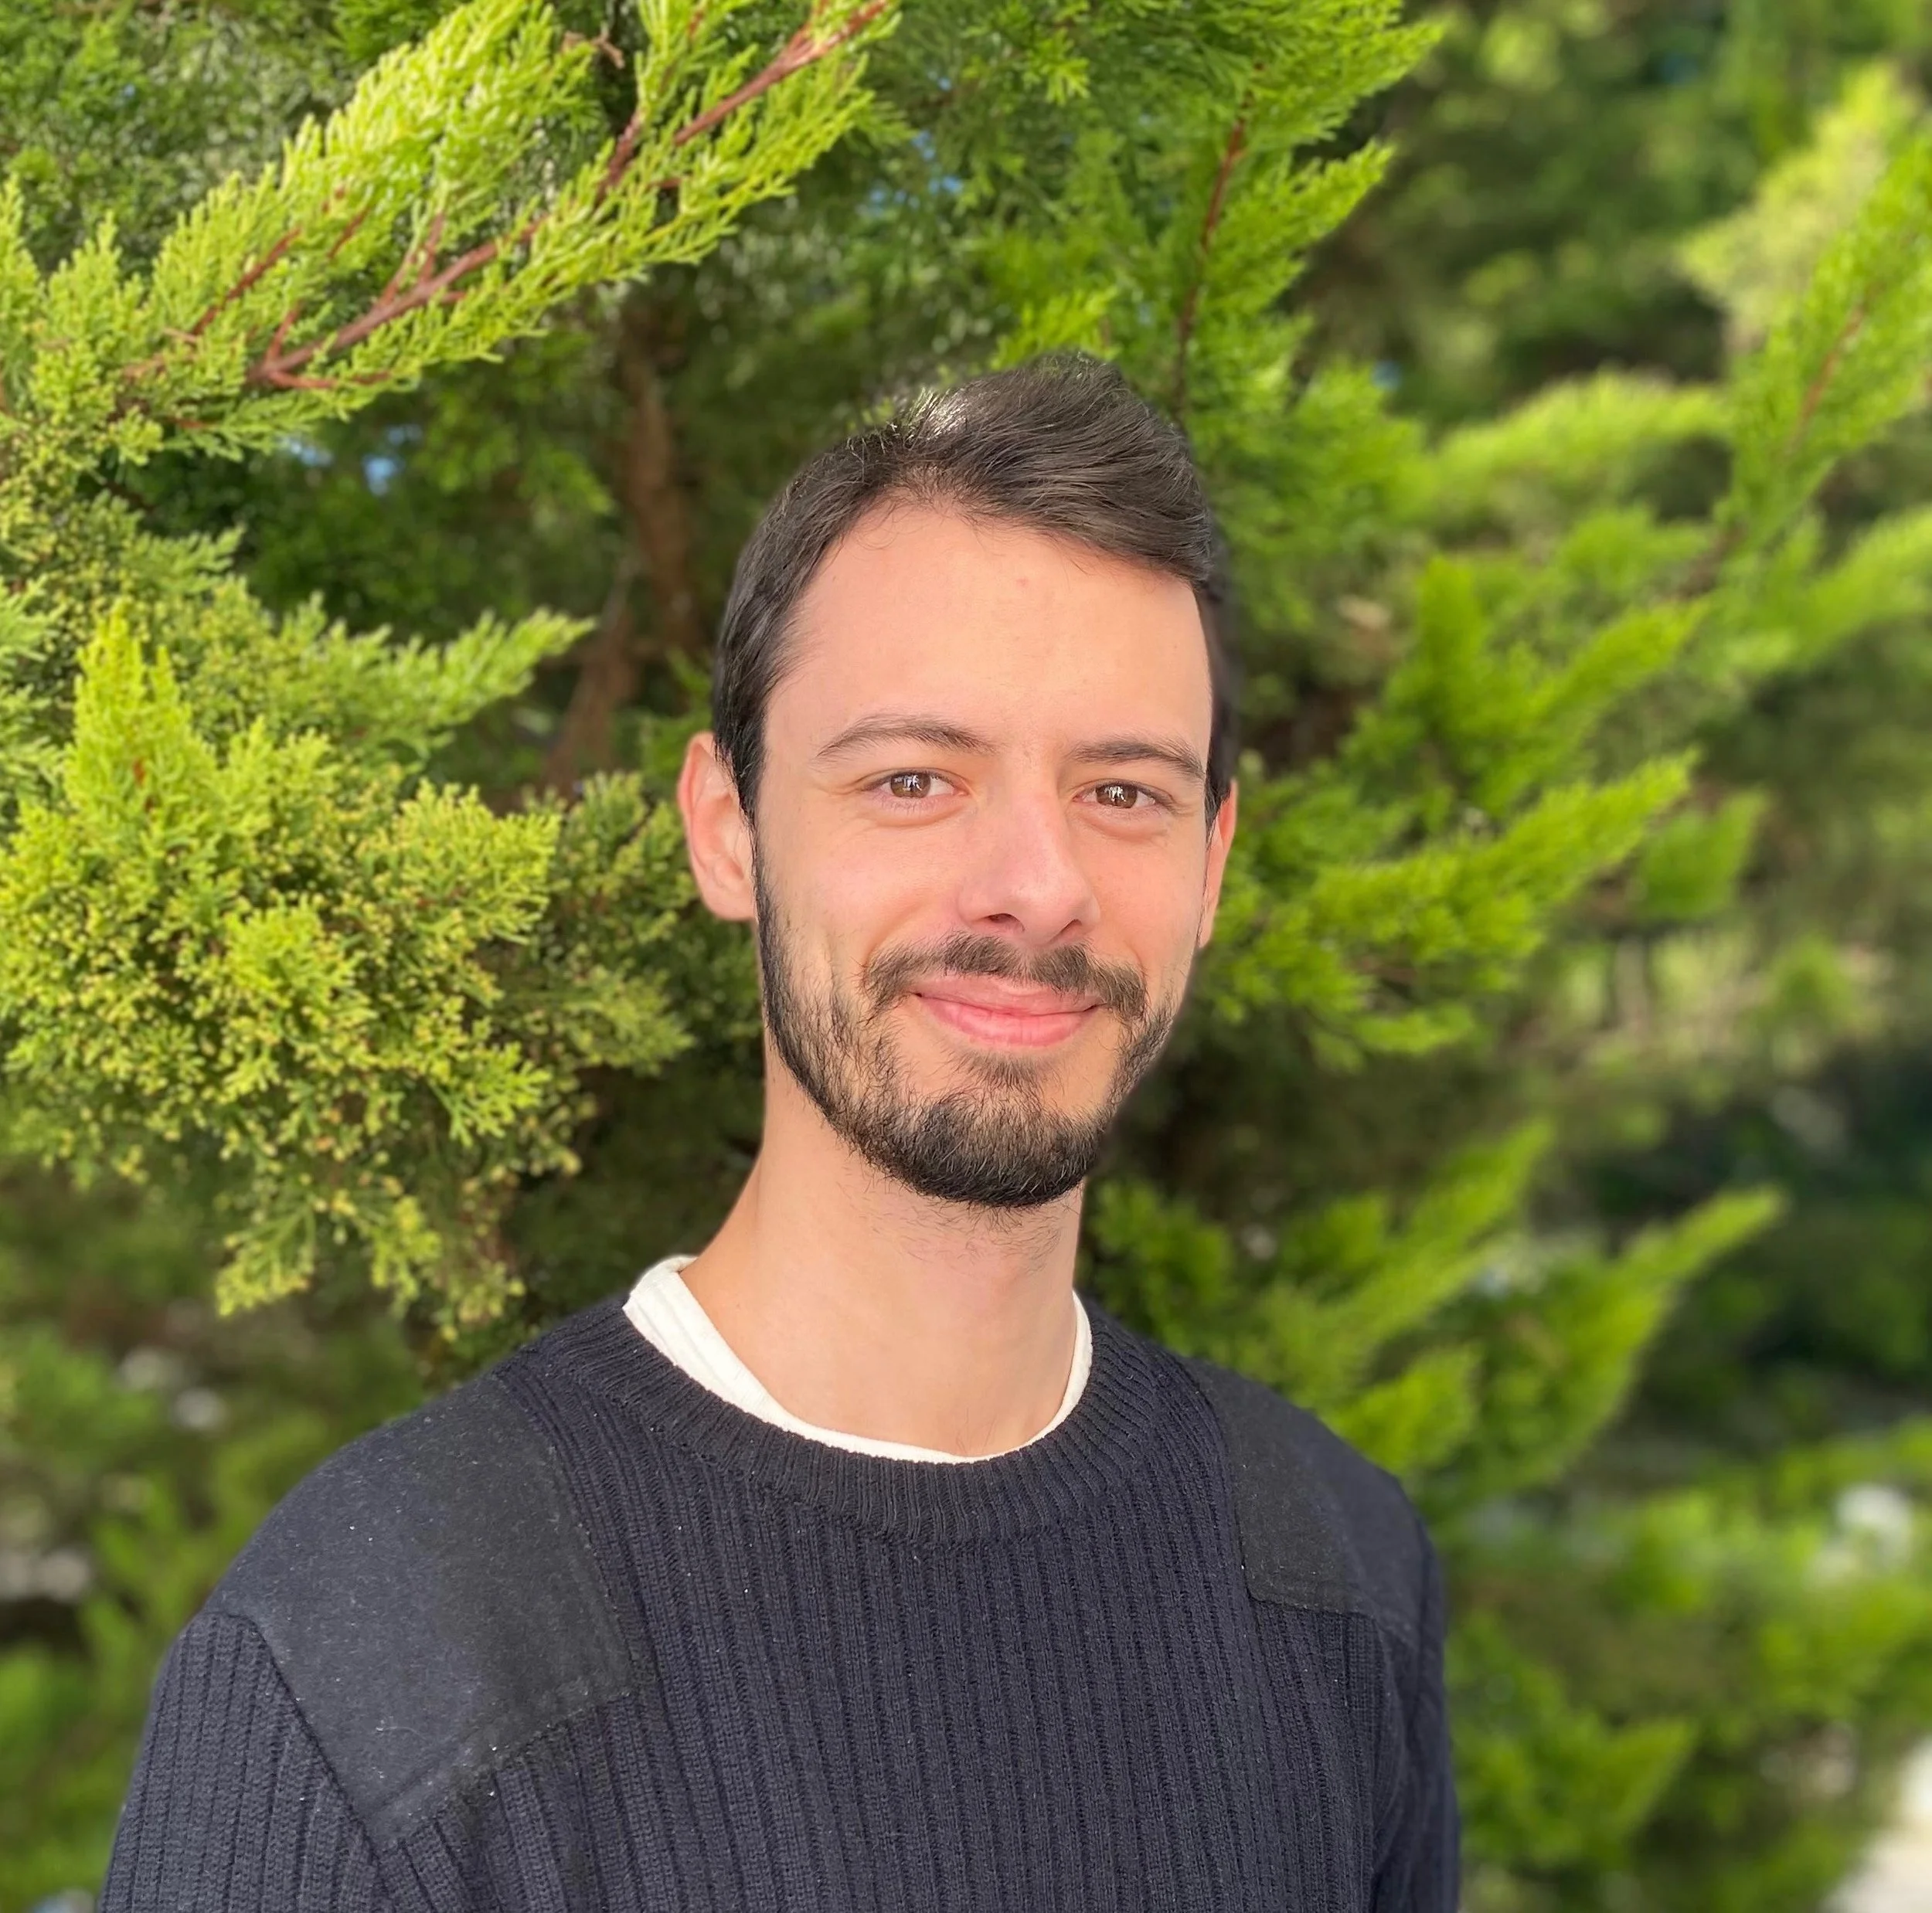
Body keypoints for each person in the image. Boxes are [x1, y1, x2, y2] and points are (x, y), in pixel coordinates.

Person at [102, 354, 1458, 1911]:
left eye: (1124, 791)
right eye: (910, 777)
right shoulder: (370, 1659)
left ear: (1212, 863)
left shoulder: (1333, 1574)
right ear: (726, 825)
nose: (1036, 882)